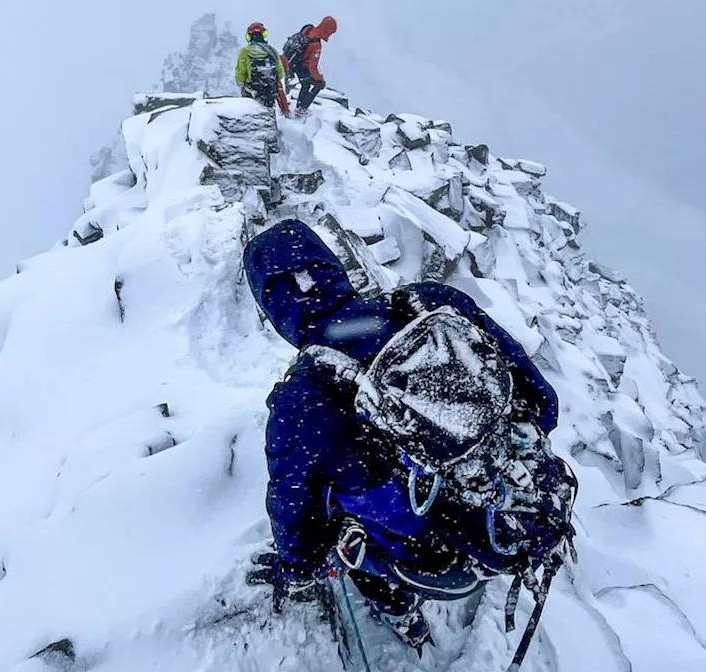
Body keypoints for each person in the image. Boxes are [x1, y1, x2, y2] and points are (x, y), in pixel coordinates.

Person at [242, 219, 576, 655]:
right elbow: (542, 402)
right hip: (525, 502)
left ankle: (402, 612)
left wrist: (294, 569)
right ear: (333, 269)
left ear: (274, 309)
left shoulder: (301, 398)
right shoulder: (428, 304)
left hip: (440, 562)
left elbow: (294, 513)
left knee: (345, 529)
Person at [281, 17, 338, 117]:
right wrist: (320, 78)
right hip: (301, 66)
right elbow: (313, 66)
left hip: (293, 63)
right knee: (318, 85)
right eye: (331, 32)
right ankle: (301, 109)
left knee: (305, 84)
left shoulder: (309, 29)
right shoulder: (316, 44)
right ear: (328, 30)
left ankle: (299, 107)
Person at [235, 22, 290, 118]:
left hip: (251, 91)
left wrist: (243, 84)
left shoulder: (245, 52)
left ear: (249, 37)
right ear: (264, 35)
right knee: (268, 113)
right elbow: (280, 73)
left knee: (250, 115)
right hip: (269, 91)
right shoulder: (272, 51)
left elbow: (240, 74)